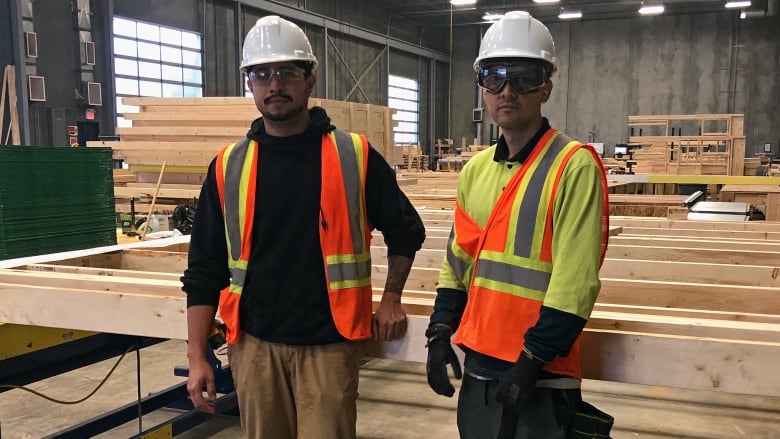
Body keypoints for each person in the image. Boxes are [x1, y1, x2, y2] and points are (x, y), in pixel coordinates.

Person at [181, 15, 425, 439]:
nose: (274, 84)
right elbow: (204, 269)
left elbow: (407, 230)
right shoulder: (228, 167)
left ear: (310, 81)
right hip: (254, 346)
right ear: (250, 85)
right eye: (261, 74)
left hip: (329, 345)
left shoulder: (355, 155)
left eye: (287, 72)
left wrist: (392, 298)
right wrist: (198, 354)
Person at [425, 11, 609, 439]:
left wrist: (531, 361)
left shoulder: (572, 166)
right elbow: (458, 262)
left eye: (523, 78)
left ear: (545, 86)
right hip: (480, 366)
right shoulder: (475, 172)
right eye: (494, 78)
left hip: (540, 376)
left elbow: (575, 282)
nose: (507, 91)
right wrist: (438, 332)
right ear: (483, 87)